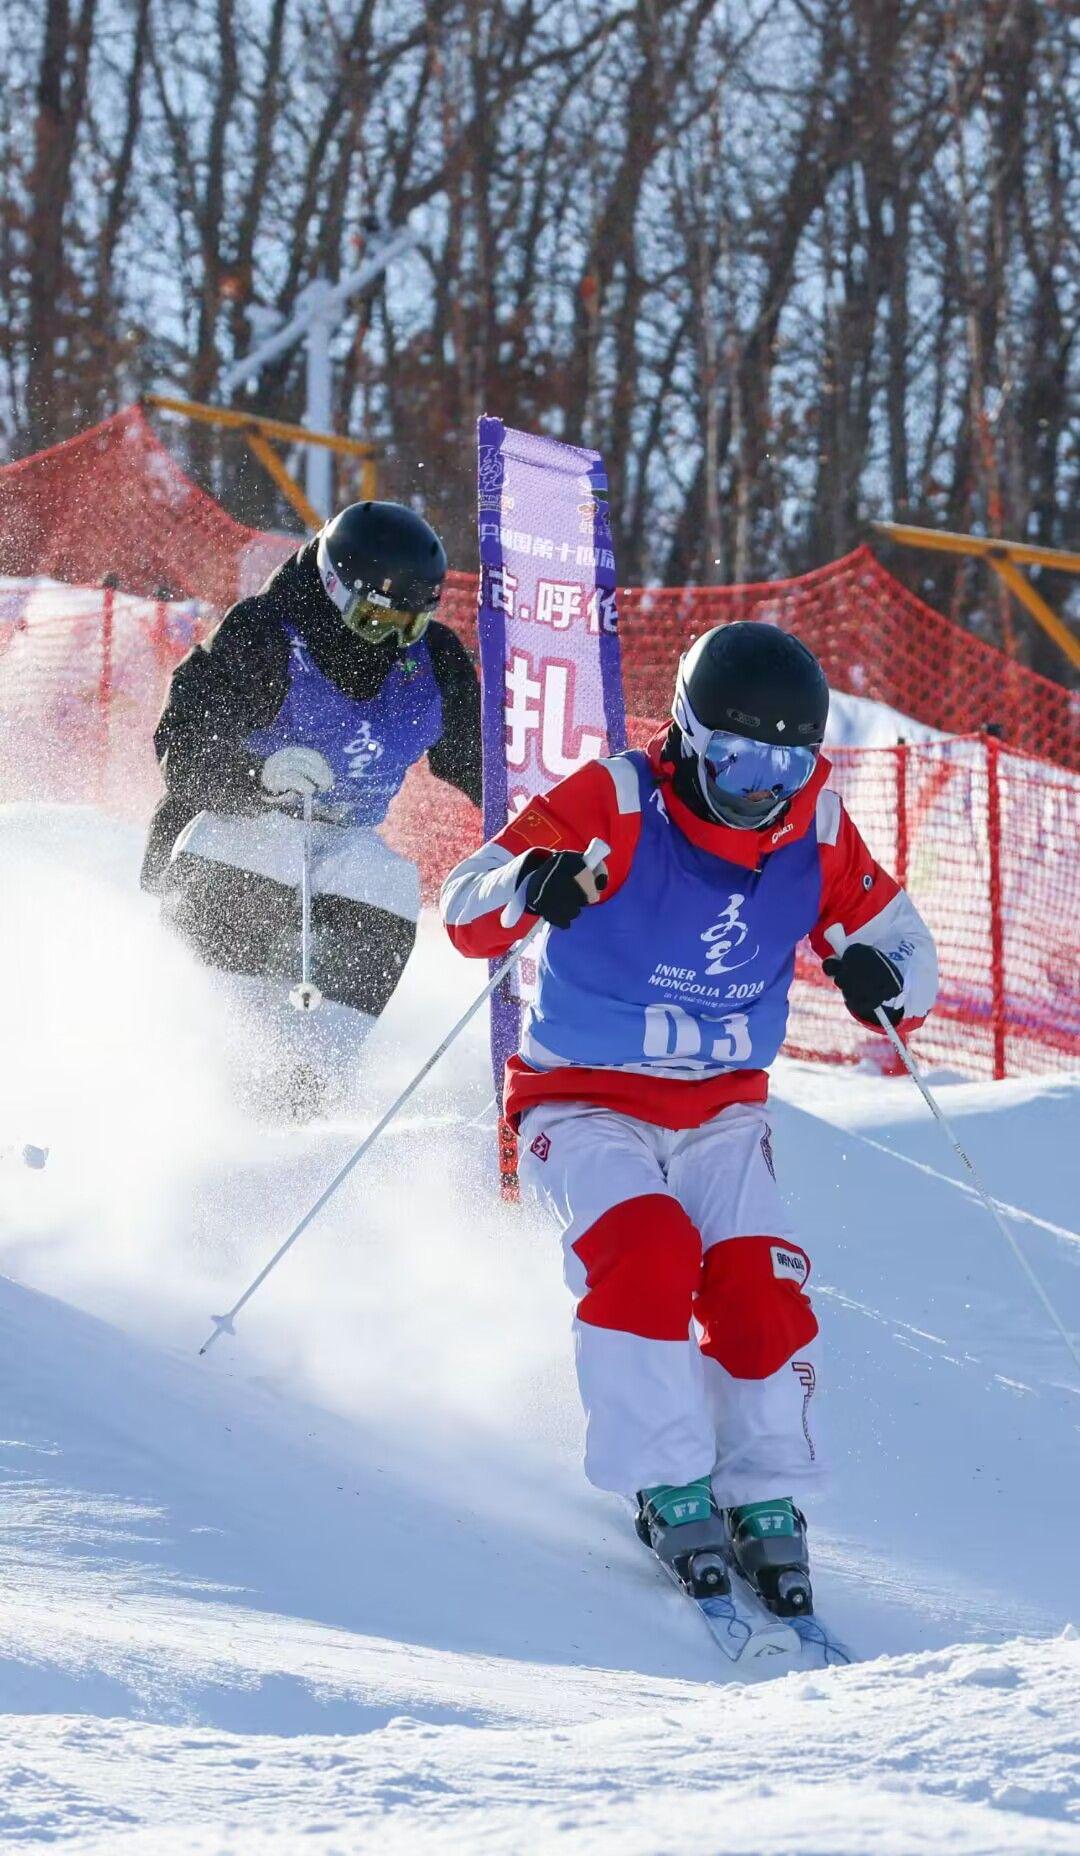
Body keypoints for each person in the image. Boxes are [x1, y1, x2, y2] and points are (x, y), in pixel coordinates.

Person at [440, 621, 937, 1615]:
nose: (760, 785)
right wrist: (531, 885)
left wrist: (886, 980)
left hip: (721, 1114)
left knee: (757, 1285)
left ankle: (764, 1490)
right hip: (582, 1098)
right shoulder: (617, 799)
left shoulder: (819, 827)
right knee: (650, 1251)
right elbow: (465, 908)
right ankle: (665, 1473)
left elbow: (904, 950)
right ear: (688, 734)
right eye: (737, 756)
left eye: (788, 762)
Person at [142, 501, 482, 1108]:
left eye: (410, 625)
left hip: (337, 844)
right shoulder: (266, 635)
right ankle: (220, 1056)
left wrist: (547, 817)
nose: (390, 642)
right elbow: (180, 742)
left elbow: (481, 763)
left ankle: (310, 1077)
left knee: (382, 877)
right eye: (377, 619)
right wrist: (256, 775)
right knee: (267, 844)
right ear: (333, 585)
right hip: (229, 830)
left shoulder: (434, 665)